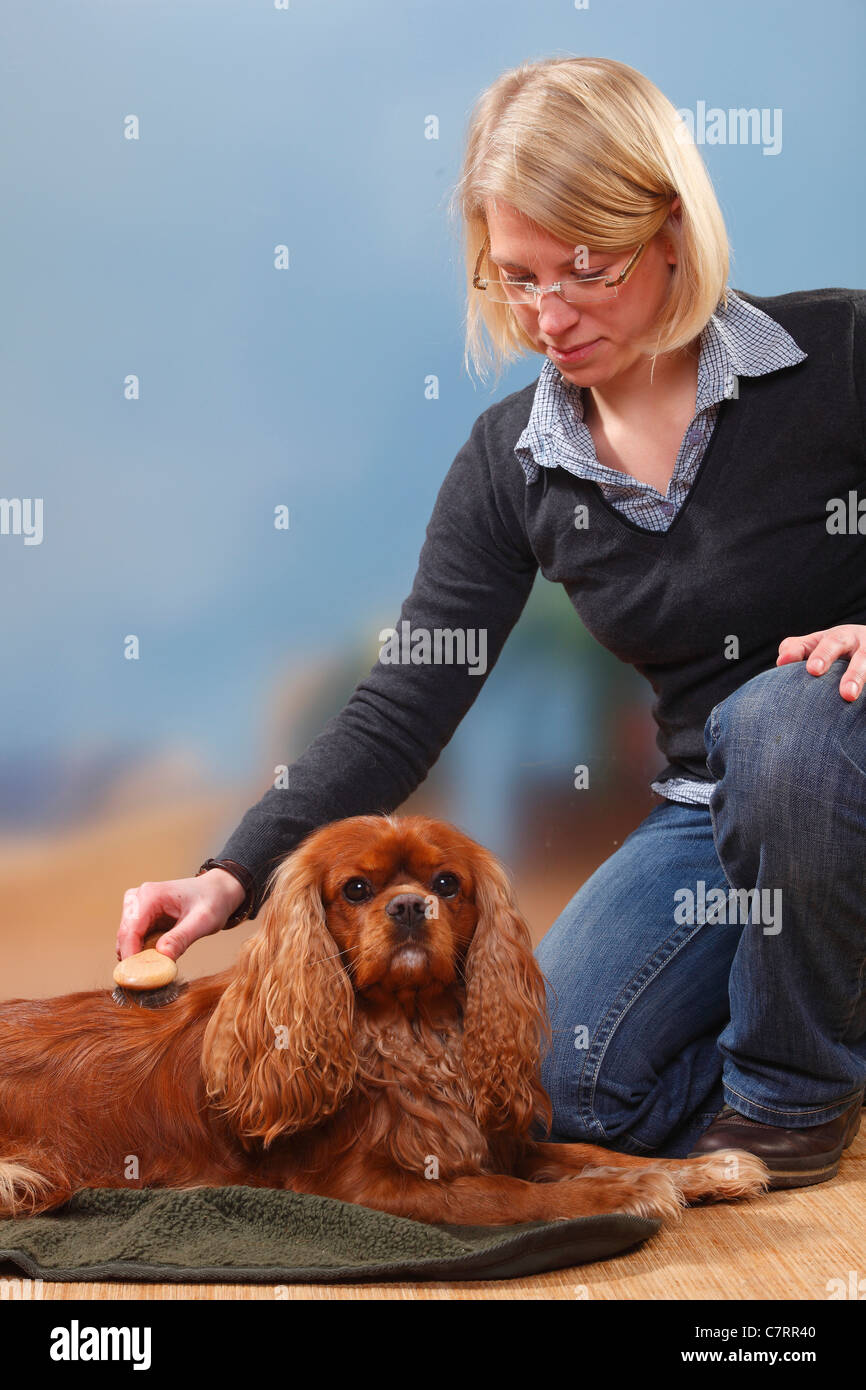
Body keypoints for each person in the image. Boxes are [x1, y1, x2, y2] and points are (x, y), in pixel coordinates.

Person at [117, 55, 866, 1184]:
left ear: (668, 227)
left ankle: (789, 1106)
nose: (547, 317)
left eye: (584, 272)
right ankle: (826, 984)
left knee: (782, 723)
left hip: (834, 754)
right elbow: (401, 703)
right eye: (514, 279)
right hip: (714, 816)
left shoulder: (840, 356)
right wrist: (227, 875)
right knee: (563, 1090)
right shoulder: (509, 460)